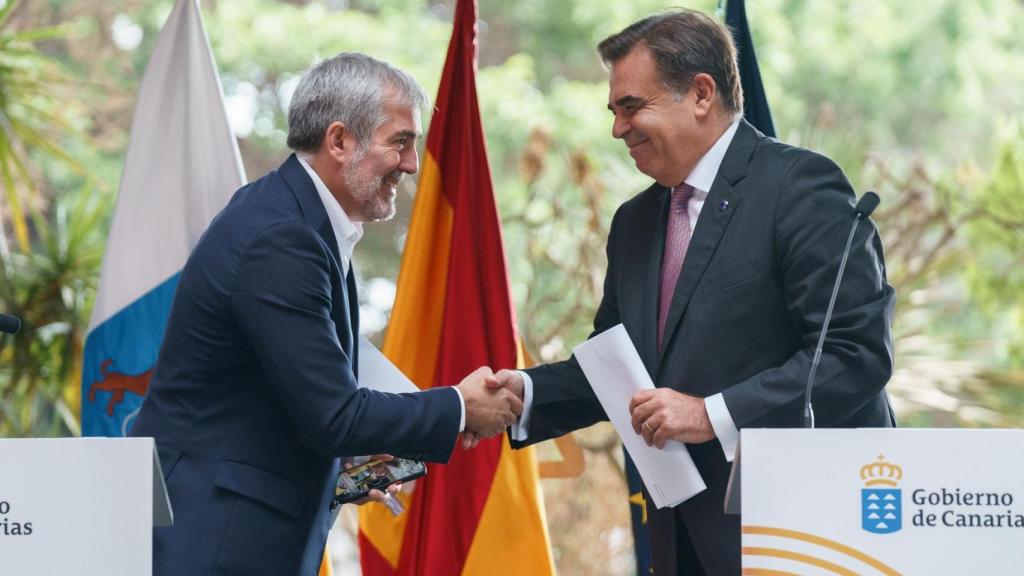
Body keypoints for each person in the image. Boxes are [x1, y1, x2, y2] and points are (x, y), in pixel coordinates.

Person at [493, 9, 896, 574]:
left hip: (801, 533)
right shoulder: (633, 222)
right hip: (680, 539)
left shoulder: (799, 186)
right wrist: (520, 394)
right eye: (613, 111)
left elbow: (854, 355)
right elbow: (616, 369)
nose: (617, 128)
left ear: (701, 94)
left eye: (632, 106)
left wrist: (713, 415)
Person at [130, 53, 521, 576]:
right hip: (214, 541)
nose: (410, 163)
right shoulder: (281, 237)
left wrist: (348, 463)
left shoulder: (295, 220)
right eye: (400, 141)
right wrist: (458, 407)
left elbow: (280, 401)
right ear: (339, 141)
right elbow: (333, 415)